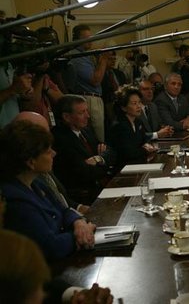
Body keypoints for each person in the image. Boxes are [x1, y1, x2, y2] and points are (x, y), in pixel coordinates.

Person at [0, 120, 96, 260]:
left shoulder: (36, 184)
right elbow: (50, 247)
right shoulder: (15, 200)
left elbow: (64, 210)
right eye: (48, 151)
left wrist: (78, 223)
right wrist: (83, 234)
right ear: (31, 161)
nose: (54, 154)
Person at [14, 111, 90, 214]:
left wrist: (78, 210)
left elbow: (59, 200)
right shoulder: (21, 192)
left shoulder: (39, 174)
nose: (54, 153)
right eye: (41, 133)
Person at [52, 95, 115, 204]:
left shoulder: (86, 131)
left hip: (98, 187)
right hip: (83, 196)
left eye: (87, 111)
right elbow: (84, 172)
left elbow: (111, 152)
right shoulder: (60, 139)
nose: (88, 116)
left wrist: (98, 159)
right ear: (66, 117)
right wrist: (104, 164)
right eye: (82, 113)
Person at [64, 24, 110, 142]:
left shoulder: (86, 55)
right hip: (89, 99)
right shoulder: (77, 57)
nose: (91, 41)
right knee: (97, 137)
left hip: (93, 98)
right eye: (87, 38)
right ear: (78, 40)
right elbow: (95, 80)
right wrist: (104, 58)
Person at [109, 85, 157, 167]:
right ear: (123, 107)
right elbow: (129, 153)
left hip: (138, 163)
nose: (138, 106)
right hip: (123, 168)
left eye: (139, 102)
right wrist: (145, 149)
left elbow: (144, 140)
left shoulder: (138, 122)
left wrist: (147, 145)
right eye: (134, 103)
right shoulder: (119, 125)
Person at [101, 51, 127, 128]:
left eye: (114, 59)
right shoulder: (101, 74)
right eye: (110, 59)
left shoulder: (120, 74)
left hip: (121, 105)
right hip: (106, 105)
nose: (113, 61)